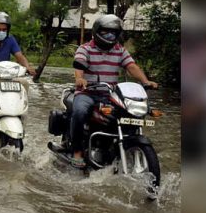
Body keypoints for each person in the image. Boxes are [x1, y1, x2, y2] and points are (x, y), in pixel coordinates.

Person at [67, 14, 158, 168]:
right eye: (106, 32)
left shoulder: (120, 50)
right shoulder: (85, 48)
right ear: (97, 31)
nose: (110, 35)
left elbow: (131, 67)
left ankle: (120, 147)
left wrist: (145, 81)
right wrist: (80, 79)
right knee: (80, 111)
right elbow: (79, 64)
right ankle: (77, 151)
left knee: (130, 114)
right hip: (87, 93)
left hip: (110, 95)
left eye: (113, 32)